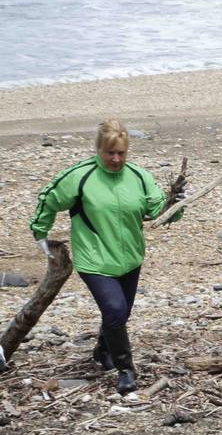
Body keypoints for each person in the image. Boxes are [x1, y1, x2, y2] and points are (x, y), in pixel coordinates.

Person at [28, 119, 182, 395]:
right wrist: (41, 234)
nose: (116, 158)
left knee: (120, 314)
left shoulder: (138, 176)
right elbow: (48, 198)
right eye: (110, 152)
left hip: (130, 258)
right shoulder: (80, 177)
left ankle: (102, 350)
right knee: (114, 311)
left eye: (121, 153)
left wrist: (176, 202)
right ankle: (126, 369)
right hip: (95, 260)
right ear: (98, 148)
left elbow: (160, 209)